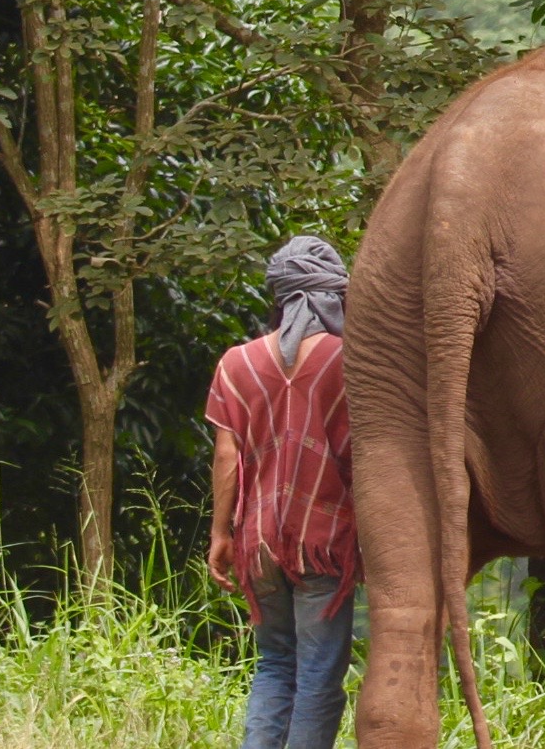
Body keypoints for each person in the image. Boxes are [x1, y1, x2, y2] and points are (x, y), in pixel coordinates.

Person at [207, 236, 360, 749]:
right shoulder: (353, 363)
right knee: (318, 675)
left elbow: (227, 455)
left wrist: (219, 534)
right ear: (334, 296)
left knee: (275, 665)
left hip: (258, 545)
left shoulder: (236, 364)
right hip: (325, 541)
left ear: (279, 295)